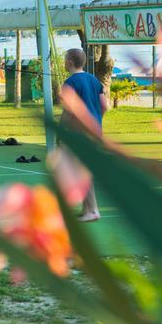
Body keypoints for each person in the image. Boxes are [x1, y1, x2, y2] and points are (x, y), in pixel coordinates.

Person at [60, 48, 108, 223]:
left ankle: (93, 210)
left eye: (65, 59)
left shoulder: (70, 83)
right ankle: (87, 208)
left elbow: (68, 112)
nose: (64, 62)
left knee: (81, 171)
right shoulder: (94, 80)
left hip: (79, 133)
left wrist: (61, 132)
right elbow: (104, 106)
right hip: (94, 131)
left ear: (71, 62)